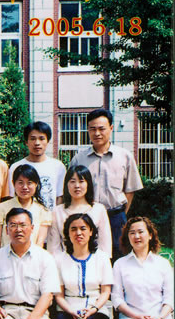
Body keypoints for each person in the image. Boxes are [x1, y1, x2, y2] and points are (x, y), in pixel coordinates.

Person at [70, 109, 143, 260]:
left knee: (119, 257)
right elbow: (71, 188)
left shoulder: (124, 156)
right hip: (87, 217)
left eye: (101, 129)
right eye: (92, 129)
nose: (97, 133)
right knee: (89, 256)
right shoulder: (79, 159)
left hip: (116, 217)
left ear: (111, 128)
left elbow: (130, 190)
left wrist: (121, 213)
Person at [47, 165, 112, 257]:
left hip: (94, 261)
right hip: (65, 261)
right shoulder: (57, 212)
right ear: (66, 184)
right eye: (72, 181)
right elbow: (53, 248)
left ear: (88, 184)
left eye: (81, 181)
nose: (77, 186)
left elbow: (105, 245)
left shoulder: (99, 209)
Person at [8, 121, 66, 210]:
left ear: (48, 141)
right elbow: (12, 197)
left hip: (49, 217)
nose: (37, 143)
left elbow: (60, 197)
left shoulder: (58, 166)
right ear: (26, 142)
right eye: (32, 139)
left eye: (42, 138)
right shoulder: (16, 167)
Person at [0, 164, 51, 250]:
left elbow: (40, 243)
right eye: (20, 183)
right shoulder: (2, 208)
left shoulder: (43, 211)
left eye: (29, 183)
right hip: (6, 255)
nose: (25, 187)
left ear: (36, 184)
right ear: (13, 183)